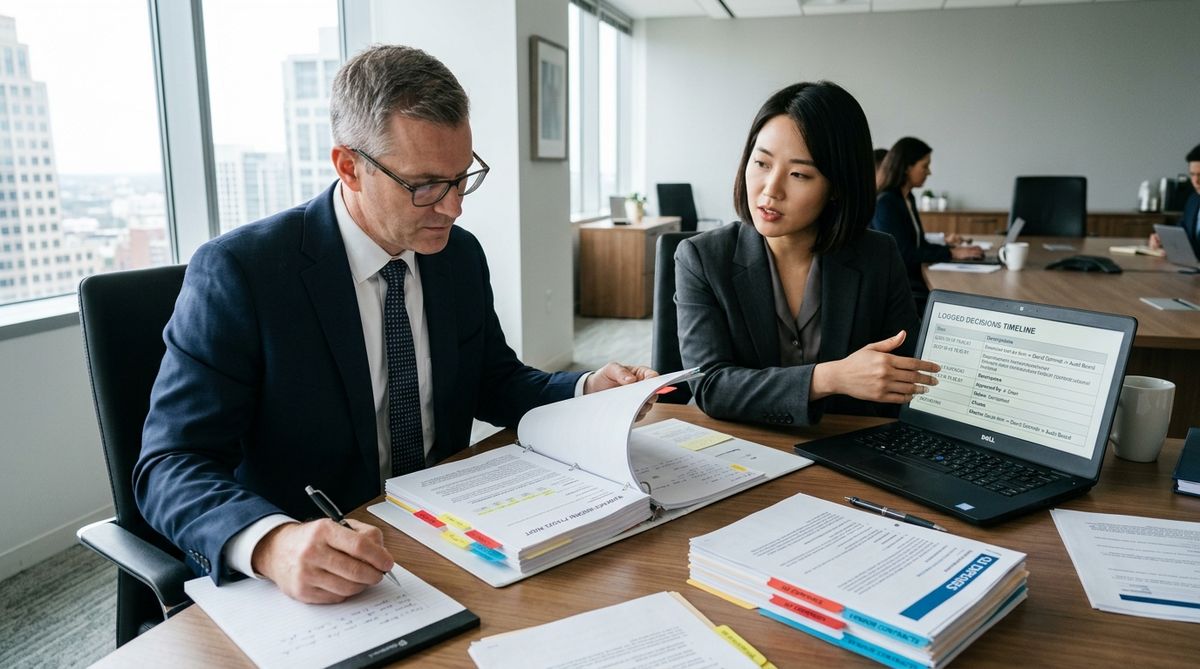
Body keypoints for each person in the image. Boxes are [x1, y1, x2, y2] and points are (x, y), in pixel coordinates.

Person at [134, 45, 655, 604]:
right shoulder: (243, 273)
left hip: (451, 531)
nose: (454, 208)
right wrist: (272, 543)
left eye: (463, 177)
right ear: (348, 166)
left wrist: (585, 389)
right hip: (327, 558)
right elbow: (170, 463)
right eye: (425, 185)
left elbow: (493, 380)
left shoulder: (457, 256)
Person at [675, 81, 940, 428]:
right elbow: (710, 385)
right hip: (742, 448)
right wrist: (829, 377)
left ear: (837, 188)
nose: (770, 190)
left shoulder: (878, 256)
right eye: (761, 163)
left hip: (848, 452)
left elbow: (905, 378)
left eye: (799, 174)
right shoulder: (702, 258)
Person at [870, 138, 982, 309]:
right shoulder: (887, 202)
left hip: (912, 279)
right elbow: (904, 254)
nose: (928, 172)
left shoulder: (908, 198)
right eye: (924, 166)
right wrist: (952, 253)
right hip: (900, 287)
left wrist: (953, 251)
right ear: (907, 167)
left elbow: (919, 244)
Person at [1149, 143, 1200, 256]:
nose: (1196, 181)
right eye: (1192, 175)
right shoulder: (1193, 200)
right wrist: (1163, 240)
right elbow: (1182, 232)